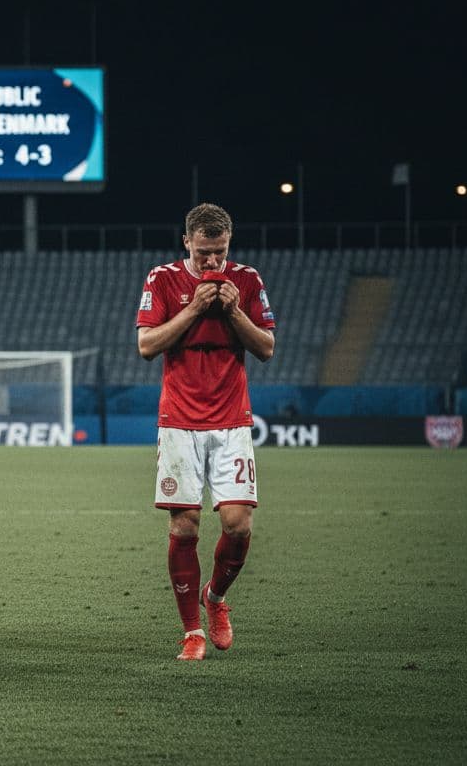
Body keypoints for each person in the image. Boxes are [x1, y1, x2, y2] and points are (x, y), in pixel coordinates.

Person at [136, 202, 276, 661]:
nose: (212, 263)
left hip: (232, 420)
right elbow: (146, 346)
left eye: (219, 253)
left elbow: (267, 349)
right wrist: (195, 309)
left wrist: (236, 314)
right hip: (179, 421)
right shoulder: (162, 279)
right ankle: (191, 632)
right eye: (203, 254)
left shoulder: (248, 281)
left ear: (228, 245)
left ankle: (214, 598)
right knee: (185, 523)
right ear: (187, 244)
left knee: (238, 525)